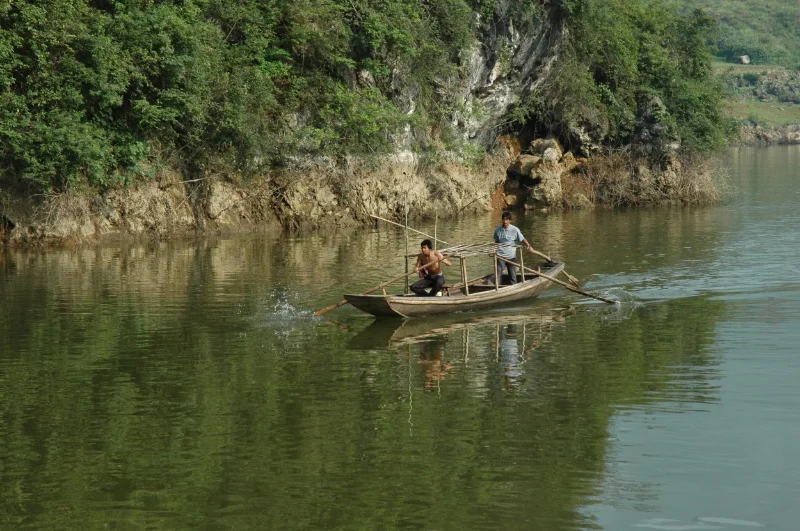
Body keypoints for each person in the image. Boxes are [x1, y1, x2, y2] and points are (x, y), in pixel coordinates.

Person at [493, 211, 535, 284]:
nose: (505, 221)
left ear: (510, 220)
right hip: (500, 256)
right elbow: (496, 241)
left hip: (511, 256)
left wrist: (529, 246)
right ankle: (498, 287)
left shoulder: (515, 230)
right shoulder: (498, 230)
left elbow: (522, 239)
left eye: (507, 220)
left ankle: (514, 286)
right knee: (498, 274)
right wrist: (494, 249)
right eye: (503, 219)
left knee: (513, 276)